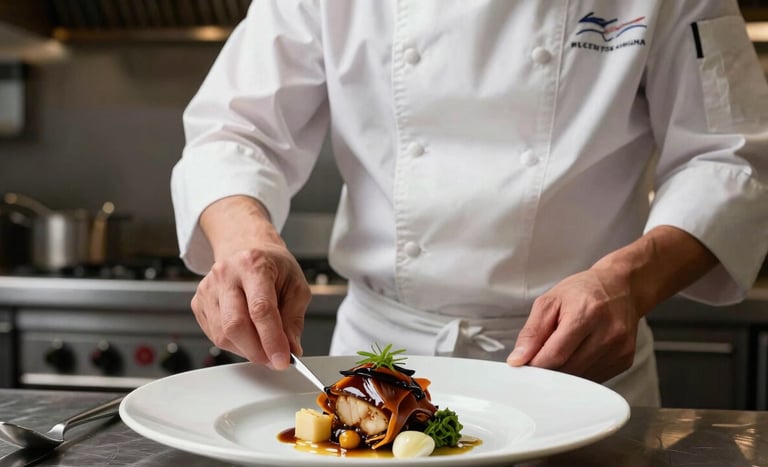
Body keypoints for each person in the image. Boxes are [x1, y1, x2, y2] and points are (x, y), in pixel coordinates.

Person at [171, 0, 768, 406]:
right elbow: (235, 130)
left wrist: (628, 283)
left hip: (580, 362)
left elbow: (729, 158)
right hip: (380, 355)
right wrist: (246, 241)